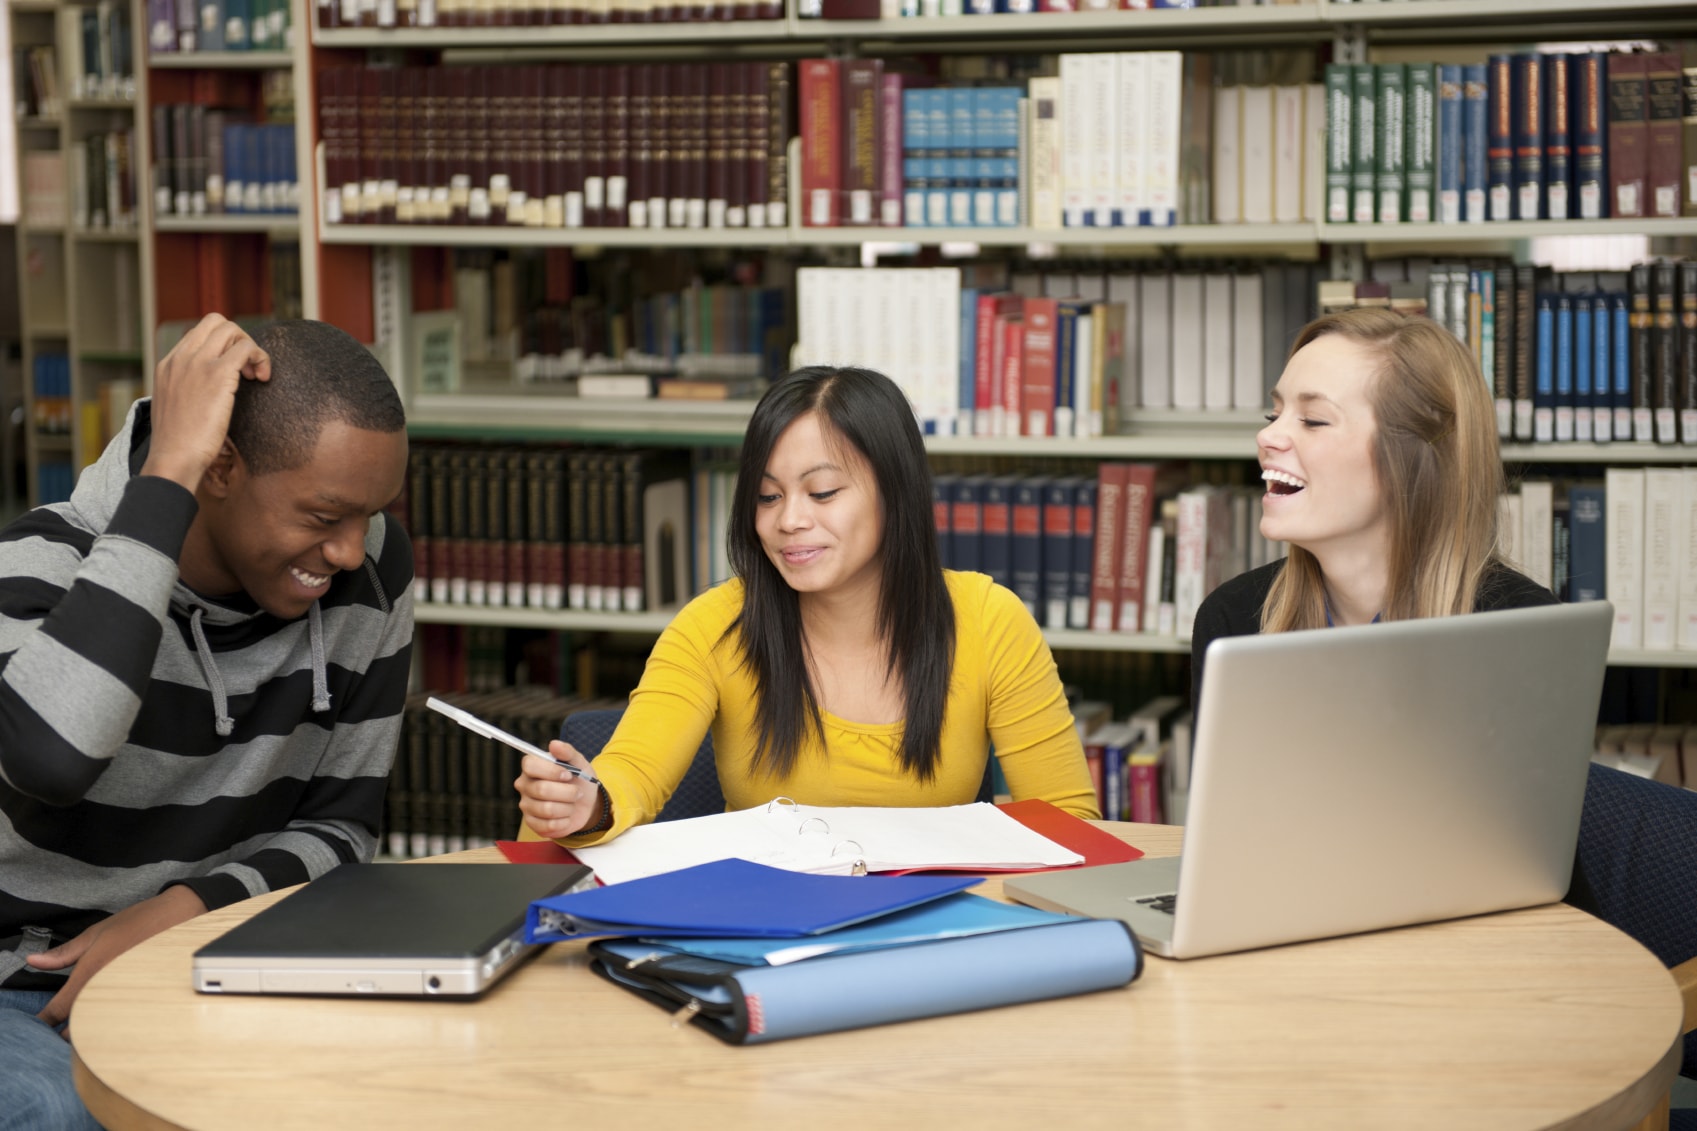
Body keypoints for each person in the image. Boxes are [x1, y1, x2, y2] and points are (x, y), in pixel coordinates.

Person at [0, 314, 414, 1131]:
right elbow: (54, 758)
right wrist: (168, 474)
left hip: (220, 949)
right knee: (55, 1110)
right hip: (27, 980)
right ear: (219, 466)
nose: (347, 551)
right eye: (324, 514)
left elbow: (344, 824)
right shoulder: (36, 567)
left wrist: (182, 908)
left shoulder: (367, 569)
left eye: (367, 515)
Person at [517, 365, 1099, 844]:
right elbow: (633, 772)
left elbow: (1071, 823)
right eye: (768, 496)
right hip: (763, 937)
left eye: (822, 492)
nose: (789, 520)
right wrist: (588, 805)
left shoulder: (988, 619)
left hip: (932, 938)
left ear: (894, 494)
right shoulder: (715, 624)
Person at [1190, 305, 1555, 709]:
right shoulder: (1232, 621)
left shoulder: (1523, 632)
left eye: (1313, 420)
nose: (1267, 435)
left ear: (1411, 457)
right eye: (1274, 414)